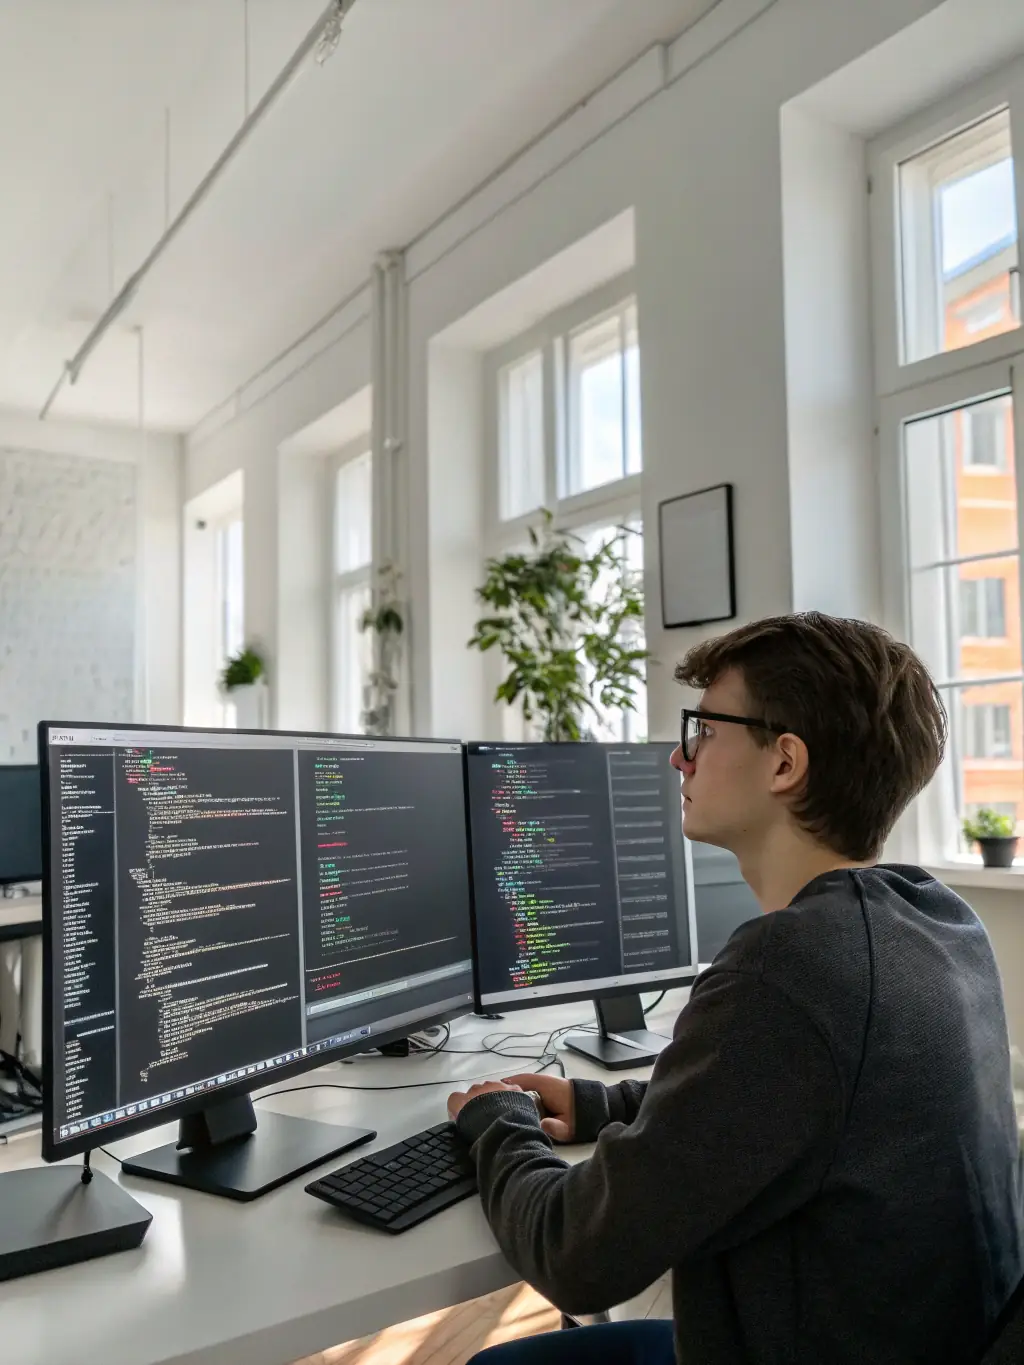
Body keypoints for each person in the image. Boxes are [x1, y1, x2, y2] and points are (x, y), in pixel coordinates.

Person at [447, 613, 1024, 1365]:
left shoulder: (786, 970)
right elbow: (800, 1106)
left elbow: (574, 1255)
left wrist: (495, 1119)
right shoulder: (938, 918)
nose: (681, 761)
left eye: (704, 730)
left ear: (784, 762)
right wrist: (606, 1103)